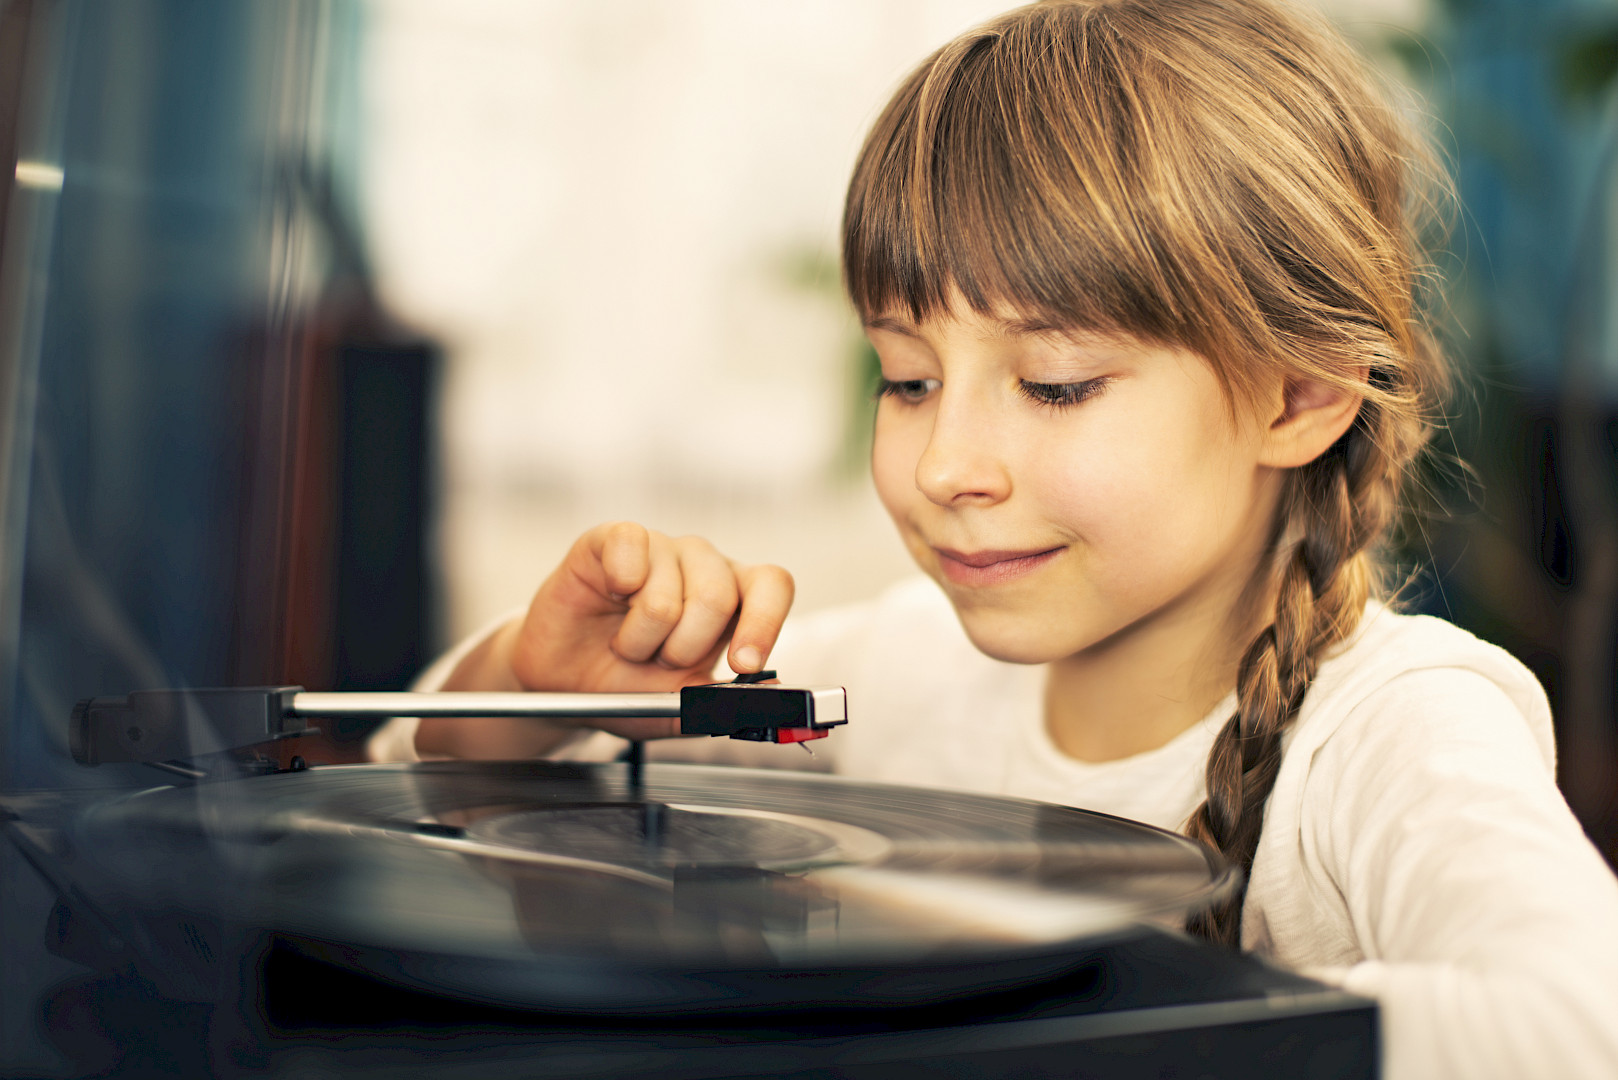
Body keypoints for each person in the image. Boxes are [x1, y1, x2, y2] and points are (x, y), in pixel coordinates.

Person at [369, 1, 1618, 1076]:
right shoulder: (875, 687)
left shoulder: (1396, 730)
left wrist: (1007, 1014)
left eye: (1057, 383)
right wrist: (535, 687)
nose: (945, 466)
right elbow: (407, 773)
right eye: (907, 379)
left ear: (1296, 397)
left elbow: (1577, 1026)